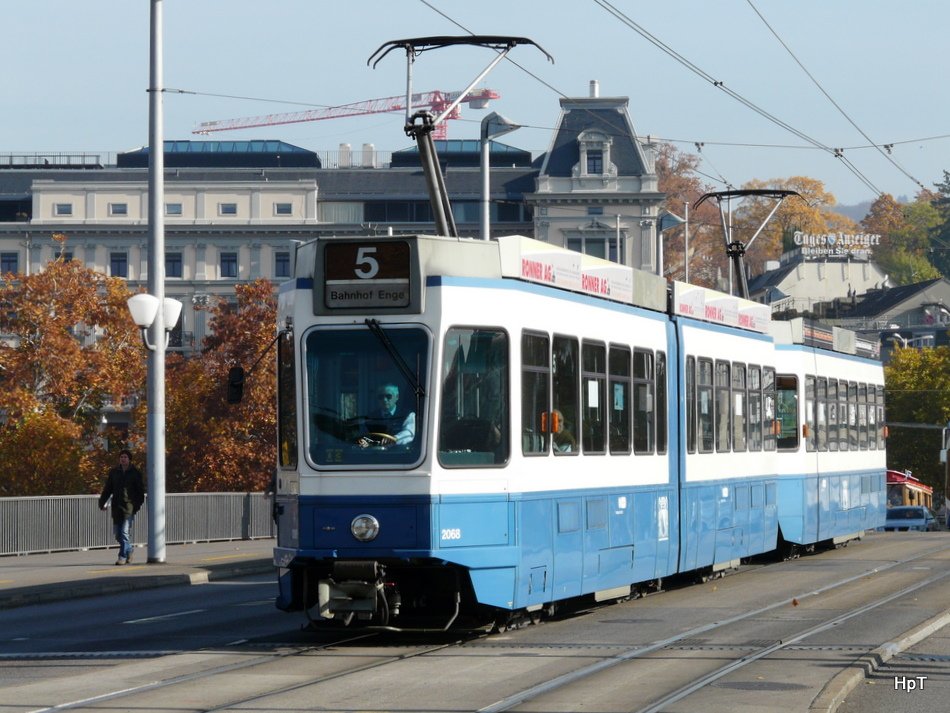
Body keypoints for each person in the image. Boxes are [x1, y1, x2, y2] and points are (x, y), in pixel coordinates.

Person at [98, 449, 145, 565]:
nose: (123, 459)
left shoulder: (135, 473)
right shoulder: (114, 472)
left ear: (129, 459)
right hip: (117, 507)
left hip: (129, 507)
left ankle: (122, 556)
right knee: (118, 535)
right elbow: (108, 489)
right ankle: (129, 550)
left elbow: (140, 491)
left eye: (125, 457)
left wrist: (136, 505)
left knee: (124, 532)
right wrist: (102, 502)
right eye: (121, 457)